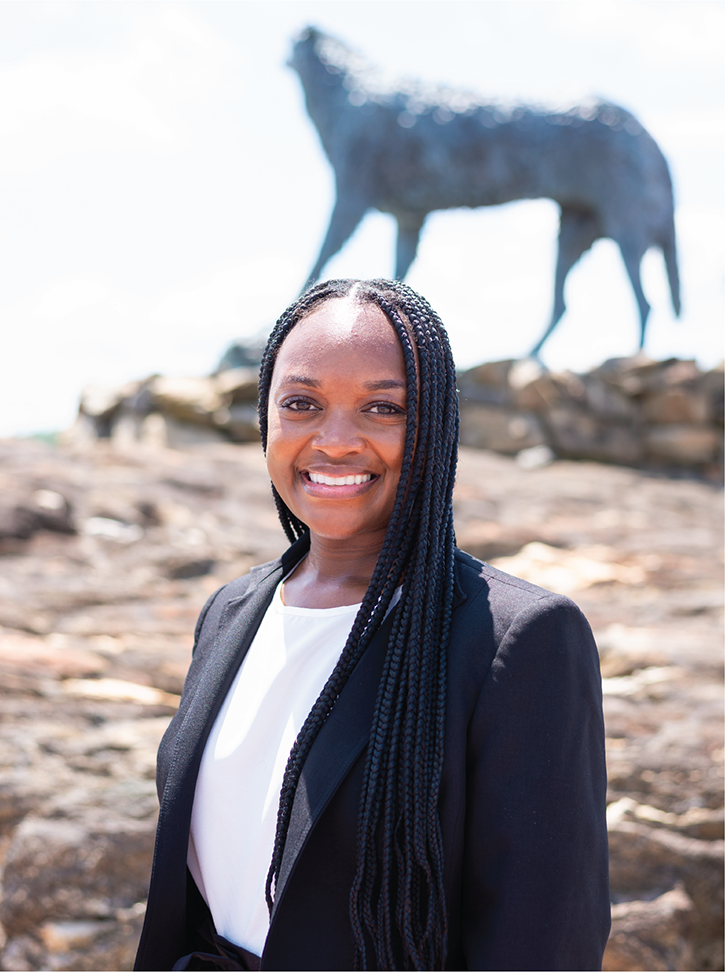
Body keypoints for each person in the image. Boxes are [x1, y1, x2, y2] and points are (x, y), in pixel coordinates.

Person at [134, 279, 610, 972]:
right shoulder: (232, 613)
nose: (334, 441)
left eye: (382, 408)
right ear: (265, 418)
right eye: (301, 403)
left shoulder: (516, 639)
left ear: (435, 427)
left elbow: (543, 943)